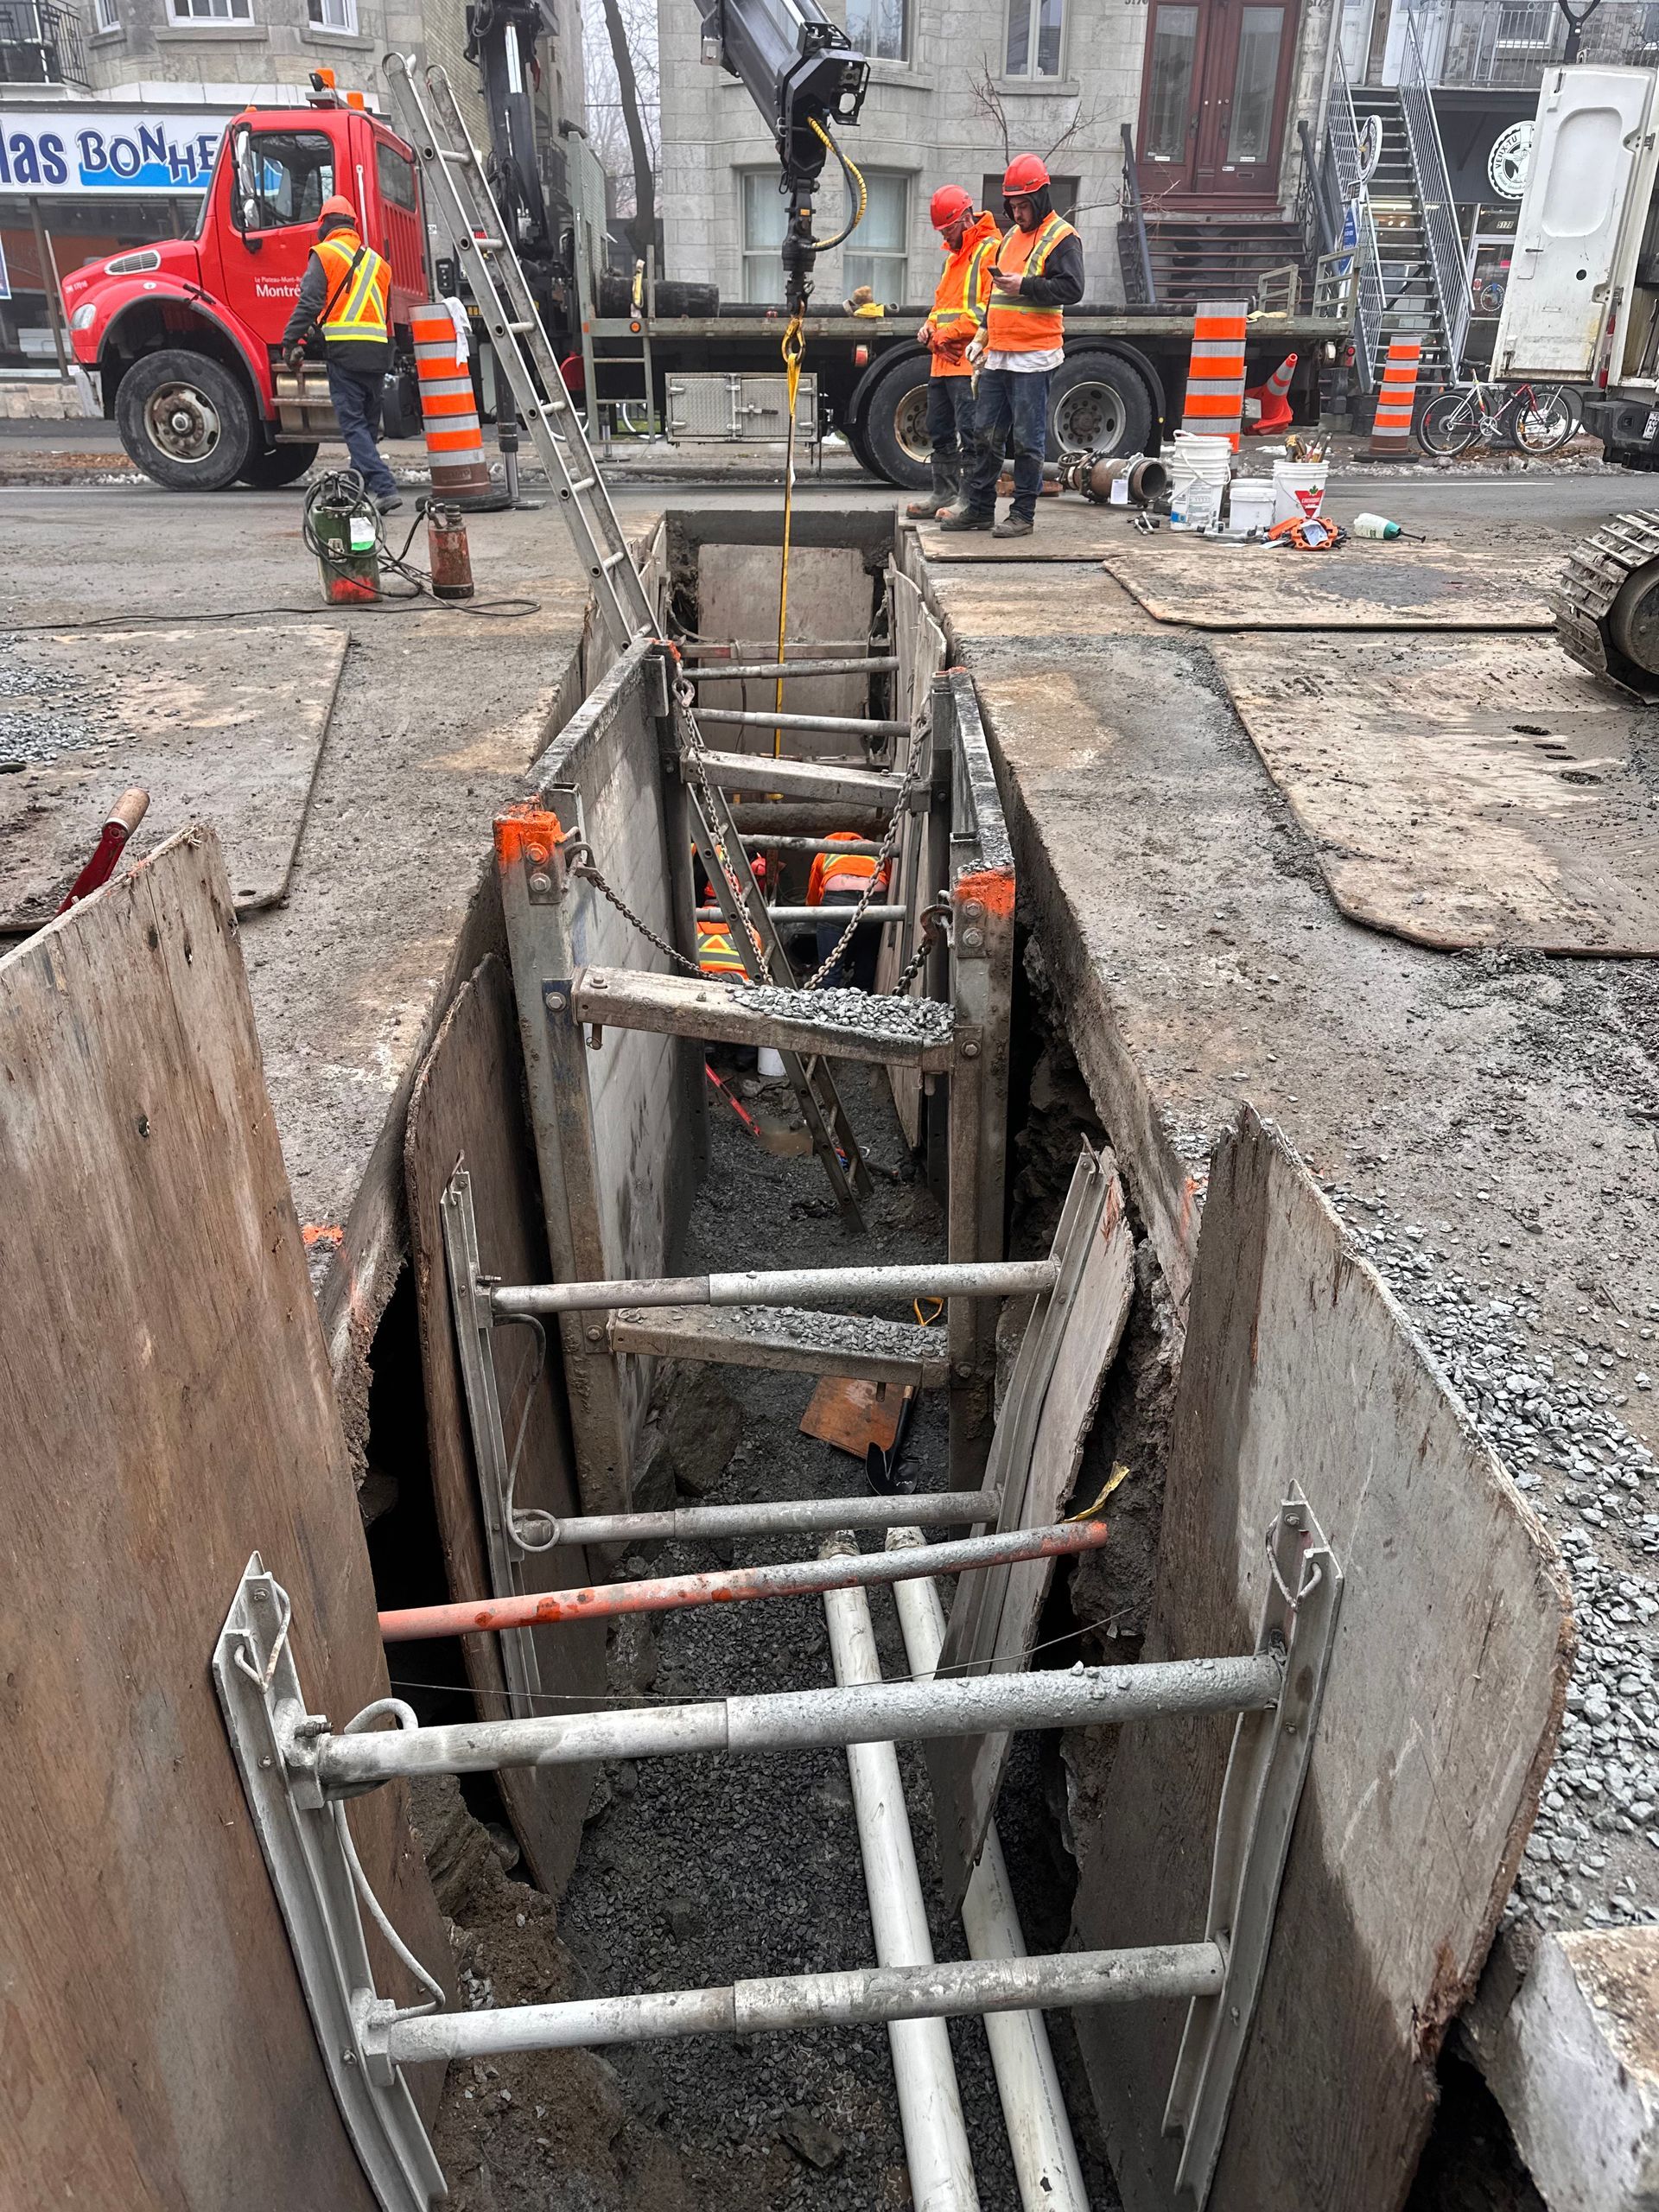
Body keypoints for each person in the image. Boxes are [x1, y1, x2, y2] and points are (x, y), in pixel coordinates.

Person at [939, 155, 1084, 540]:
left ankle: (1022, 514)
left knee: (1026, 439)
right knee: (984, 433)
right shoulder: (1008, 240)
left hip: (1034, 356)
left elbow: (1072, 289)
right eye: (1013, 206)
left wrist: (1027, 286)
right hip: (1000, 353)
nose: (1018, 213)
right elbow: (994, 297)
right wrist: (981, 336)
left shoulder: (1062, 238)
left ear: (1040, 199)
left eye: (1023, 206)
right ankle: (981, 509)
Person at [282, 194, 401, 514]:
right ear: (354, 226)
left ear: (323, 225)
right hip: (378, 353)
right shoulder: (379, 263)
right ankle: (351, 489)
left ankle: (385, 486)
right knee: (365, 425)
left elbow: (309, 302)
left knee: (352, 425)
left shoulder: (324, 254)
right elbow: (384, 314)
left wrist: (291, 338)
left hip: (346, 353)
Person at [906, 186, 1001, 522]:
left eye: (948, 228)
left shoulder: (989, 250)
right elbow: (942, 304)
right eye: (942, 230)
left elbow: (985, 309)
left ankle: (969, 500)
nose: (945, 235)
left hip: (968, 362)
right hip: (942, 361)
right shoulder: (953, 258)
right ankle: (944, 492)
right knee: (939, 428)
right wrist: (929, 326)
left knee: (972, 433)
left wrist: (945, 333)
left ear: (964, 218)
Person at [806, 830, 889, 991]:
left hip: (837, 898)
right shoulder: (875, 848)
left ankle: (827, 1003)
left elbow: (814, 895)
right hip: (874, 898)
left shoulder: (826, 850)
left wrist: (813, 915)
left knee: (829, 972)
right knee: (867, 957)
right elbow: (889, 878)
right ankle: (864, 996)